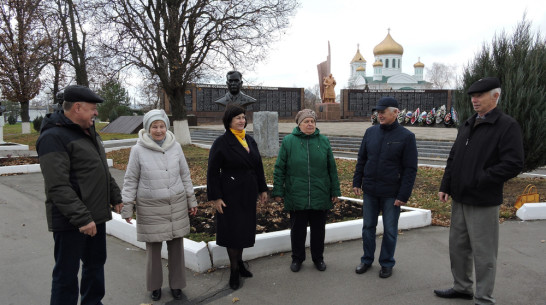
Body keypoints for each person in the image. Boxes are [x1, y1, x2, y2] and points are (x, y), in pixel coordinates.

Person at [433, 77, 524, 305]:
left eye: (480, 95)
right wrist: (446, 185)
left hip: (483, 200)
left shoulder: (506, 125)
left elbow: (513, 163)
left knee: (484, 253)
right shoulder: (468, 123)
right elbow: (454, 157)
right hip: (460, 198)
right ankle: (462, 287)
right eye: (473, 96)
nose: (475, 100)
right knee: (458, 248)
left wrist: (481, 178)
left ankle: (483, 298)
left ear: (496, 96)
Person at [36, 85, 123, 305]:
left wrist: (115, 195)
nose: (96, 113)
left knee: (95, 266)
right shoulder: (53, 137)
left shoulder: (88, 131)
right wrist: (83, 218)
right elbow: (58, 186)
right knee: (66, 274)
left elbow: (100, 169)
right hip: (72, 221)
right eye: (92, 108)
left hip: (96, 216)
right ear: (77, 107)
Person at [121, 109, 198, 301]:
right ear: (147, 128)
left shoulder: (176, 147)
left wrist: (191, 200)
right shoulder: (138, 150)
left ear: (166, 126)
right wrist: (127, 207)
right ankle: (155, 286)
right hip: (151, 207)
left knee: (176, 247)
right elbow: (130, 180)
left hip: (176, 204)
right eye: (154, 126)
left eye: (161, 126)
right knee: (154, 251)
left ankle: (177, 285)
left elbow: (185, 175)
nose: (158, 130)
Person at [352, 96, 417, 278]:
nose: (379, 115)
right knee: (368, 228)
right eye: (378, 112)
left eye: (383, 112)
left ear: (395, 113)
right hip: (370, 190)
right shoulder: (370, 132)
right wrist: (357, 181)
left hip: (391, 193)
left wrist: (403, 194)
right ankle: (366, 260)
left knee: (389, 230)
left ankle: (387, 263)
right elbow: (362, 159)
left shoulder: (406, 137)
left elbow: (410, 169)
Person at [206, 105, 268, 290]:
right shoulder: (222, 142)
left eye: (243, 117)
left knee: (243, 230)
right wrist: (216, 197)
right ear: (229, 121)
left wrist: (262, 189)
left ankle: (239, 263)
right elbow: (212, 172)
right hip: (230, 194)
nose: (242, 121)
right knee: (232, 231)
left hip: (248, 193)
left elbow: (258, 166)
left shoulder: (249, 140)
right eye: (237, 118)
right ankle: (234, 271)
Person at [272, 109, 341, 272]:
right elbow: (279, 168)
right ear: (299, 124)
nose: (310, 124)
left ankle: (318, 258)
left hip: (320, 193)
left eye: (312, 121)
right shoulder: (289, 141)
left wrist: (335, 191)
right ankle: (297, 258)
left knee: (318, 230)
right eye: (306, 121)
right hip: (297, 194)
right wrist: (278, 192)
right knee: (297, 231)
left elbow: (332, 168)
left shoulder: (323, 141)